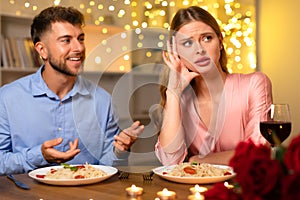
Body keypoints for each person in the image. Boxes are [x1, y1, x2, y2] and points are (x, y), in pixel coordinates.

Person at [0, 6, 144, 175]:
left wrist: (119, 151)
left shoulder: (102, 100)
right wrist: (39, 156)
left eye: (80, 39)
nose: (79, 48)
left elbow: (107, 166)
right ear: (42, 50)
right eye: (66, 40)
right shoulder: (8, 98)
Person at [154, 6, 272, 166]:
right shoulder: (181, 100)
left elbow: (257, 152)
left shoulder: (255, 84)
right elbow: (170, 160)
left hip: (244, 189)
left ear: (221, 42)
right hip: (195, 190)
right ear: (177, 52)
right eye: (188, 43)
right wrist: (173, 93)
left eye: (207, 38)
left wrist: (197, 160)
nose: (199, 49)